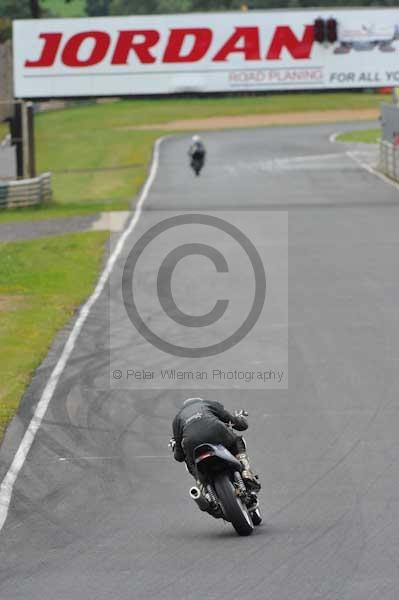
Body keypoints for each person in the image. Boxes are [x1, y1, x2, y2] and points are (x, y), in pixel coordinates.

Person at [171, 397, 260, 491]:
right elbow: (236, 423)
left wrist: (175, 449)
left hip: (192, 444)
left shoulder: (177, 419)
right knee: (237, 441)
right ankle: (246, 472)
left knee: (189, 461)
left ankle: (202, 487)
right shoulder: (208, 404)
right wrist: (241, 419)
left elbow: (179, 456)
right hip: (216, 432)